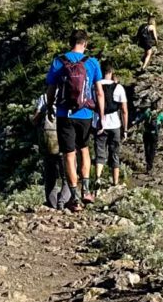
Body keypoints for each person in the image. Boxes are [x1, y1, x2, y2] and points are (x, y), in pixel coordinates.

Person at [43, 31, 103, 206]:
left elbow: (51, 89)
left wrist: (49, 107)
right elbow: (99, 92)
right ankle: (86, 190)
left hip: (64, 114)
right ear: (84, 44)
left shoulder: (59, 61)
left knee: (69, 154)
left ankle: (74, 197)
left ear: (70, 43)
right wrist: (101, 115)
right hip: (85, 113)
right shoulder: (92, 63)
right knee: (84, 149)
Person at [96, 74, 131, 190]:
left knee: (100, 152)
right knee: (114, 153)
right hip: (115, 124)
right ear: (111, 73)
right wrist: (125, 130)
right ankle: (115, 182)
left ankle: (98, 178)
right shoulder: (118, 88)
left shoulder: (95, 85)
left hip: (99, 124)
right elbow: (124, 110)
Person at [137, 87, 163, 175]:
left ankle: (148, 163)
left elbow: (140, 119)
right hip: (155, 134)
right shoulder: (160, 114)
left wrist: (135, 122)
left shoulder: (147, 112)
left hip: (146, 133)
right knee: (153, 149)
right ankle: (150, 165)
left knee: (147, 148)